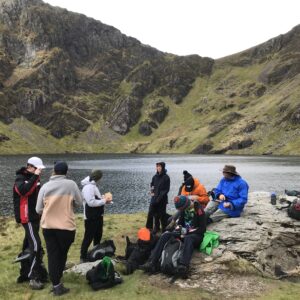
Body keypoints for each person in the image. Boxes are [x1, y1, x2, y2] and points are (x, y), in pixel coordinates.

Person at [36, 161, 83, 296]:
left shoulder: (45, 186)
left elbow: (38, 209)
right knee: (62, 254)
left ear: (54, 171)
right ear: (66, 172)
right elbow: (80, 202)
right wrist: (70, 203)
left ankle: (56, 283)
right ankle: (57, 283)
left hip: (48, 226)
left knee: (53, 255)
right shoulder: (71, 185)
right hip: (66, 227)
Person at [142, 195, 206, 277]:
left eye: (182, 209)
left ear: (186, 205)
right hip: (183, 233)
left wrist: (187, 232)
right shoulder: (183, 210)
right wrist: (178, 228)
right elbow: (181, 223)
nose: (181, 211)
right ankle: (152, 262)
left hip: (195, 236)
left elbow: (202, 229)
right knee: (165, 235)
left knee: (188, 238)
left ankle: (183, 266)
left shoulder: (199, 210)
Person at [13, 156, 47, 290]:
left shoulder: (35, 178)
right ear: (31, 167)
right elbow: (23, 191)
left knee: (28, 244)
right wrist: (34, 177)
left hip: (34, 217)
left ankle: (24, 273)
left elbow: (37, 196)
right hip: (27, 218)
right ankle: (34, 277)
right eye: (39, 169)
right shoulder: (20, 178)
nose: (41, 171)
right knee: (36, 246)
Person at [80, 169, 112, 263]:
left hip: (97, 216)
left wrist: (104, 199)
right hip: (90, 217)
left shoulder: (93, 186)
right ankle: (83, 256)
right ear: (98, 177)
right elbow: (90, 202)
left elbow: (96, 199)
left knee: (98, 235)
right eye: (100, 177)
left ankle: (95, 253)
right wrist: (104, 201)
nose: (101, 180)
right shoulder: (88, 187)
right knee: (88, 237)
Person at [146, 162, 170, 233]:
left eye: (159, 166)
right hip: (154, 198)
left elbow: (166, 190)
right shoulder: (155, 177)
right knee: (151, 212)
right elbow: (152, 185)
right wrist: (152, 191)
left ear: (163, 167)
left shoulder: (166, 178)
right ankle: (152, 228)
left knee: (162, 215)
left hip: (162, 199)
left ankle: (164, 229)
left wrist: (159, 198)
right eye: (157, 166)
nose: (158, 168)